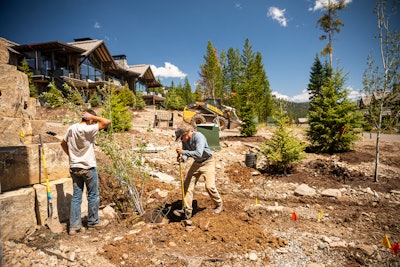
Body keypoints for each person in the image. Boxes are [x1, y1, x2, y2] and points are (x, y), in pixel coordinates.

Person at [61, 109, 111, 235]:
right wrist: (95, 117)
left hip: (74, 167)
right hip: (88, 167)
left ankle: (74, 226)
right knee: (93, 195)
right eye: (92, 120)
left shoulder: (71, 128)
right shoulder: (88, 129)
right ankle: (93, 222)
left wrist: (71, 157)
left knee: (76, 197)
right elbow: (107, 122)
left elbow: (62, 143)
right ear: (89, 119)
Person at [173, 126, 223, 219]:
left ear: (186, 134)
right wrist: (182, 158)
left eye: (181, 138)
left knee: (209, 186)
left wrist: (183, 151)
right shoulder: (185, 141)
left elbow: (198, 153)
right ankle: (187, 211)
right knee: (187, 185)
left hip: (208, 162)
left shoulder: (199, 137)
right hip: (197, 163)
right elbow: (186, 155)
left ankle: (219, 204)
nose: (181, 140)